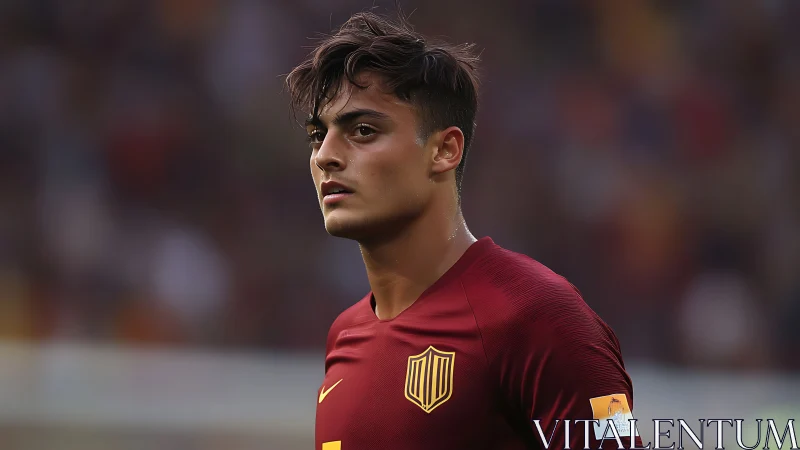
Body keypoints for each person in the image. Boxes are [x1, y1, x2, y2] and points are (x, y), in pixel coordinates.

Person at [286, 10, 643, 450]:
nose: (326, 156)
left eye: (362, 130)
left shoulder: (540, 318)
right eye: (317, 136)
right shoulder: (344, 336)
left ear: (444, 150)